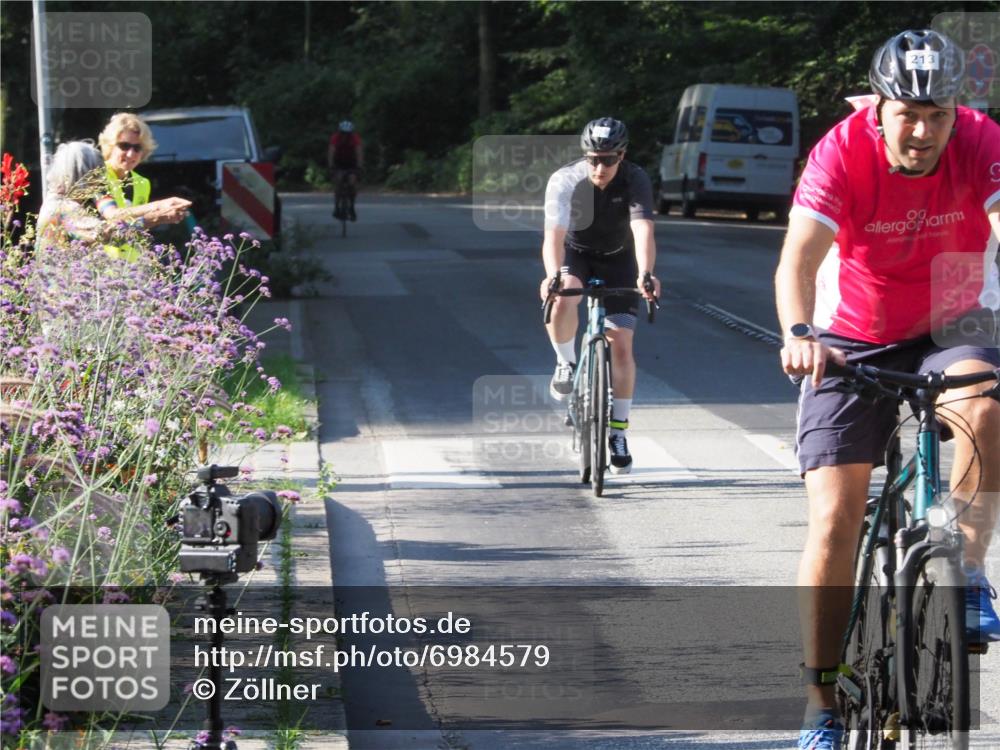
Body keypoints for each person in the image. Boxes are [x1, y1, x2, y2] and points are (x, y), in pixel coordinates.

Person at [774, 29, 1000, 749]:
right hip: (850, 333)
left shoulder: (979, 138)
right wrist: (799, 332)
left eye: (938, 114)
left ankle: (966, 570)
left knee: (983, 399)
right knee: (836, 517)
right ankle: (820, 702)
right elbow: (797, 261)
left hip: (953, 315)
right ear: (880, 108)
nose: (925, 130)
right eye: (910, 114)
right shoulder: (840, 150)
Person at [540, 117, 661, 474]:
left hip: (620, 260)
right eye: (593, 158)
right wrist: (551, 275)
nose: (600, 166)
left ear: (622, 155)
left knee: (621, 344)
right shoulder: (565, 179)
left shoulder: (635, 178)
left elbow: (642, 229)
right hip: (577, 254)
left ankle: (618, 432)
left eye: (608, 159)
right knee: (562, 297)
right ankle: (566, 361)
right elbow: (553, 236)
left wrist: (646, 273)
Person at [95, 112, 191, 229]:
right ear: (110, 145)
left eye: (137, 148)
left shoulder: (143, 183)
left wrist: (162, 216)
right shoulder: (97, 175)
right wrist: (159, 205)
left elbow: (137, 226)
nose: (131, 154)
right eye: (124, 146)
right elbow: (112, 215)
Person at [36, 142, 109, 246]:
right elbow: (102, 233)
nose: (100, 182)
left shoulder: (52, 201)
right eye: (96, 176)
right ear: (83, 175)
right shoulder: (65, 208)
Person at [327, 119, 363, 221]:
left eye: (347, 134)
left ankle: (351, 206)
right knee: (338, 180)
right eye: (343, 133)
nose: (345, 136)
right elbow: (331, 152)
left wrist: (359, 167)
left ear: (351, 133)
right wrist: (331, 166)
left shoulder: (355, 138)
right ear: (339, 132)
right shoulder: (335, 138)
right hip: (339, 163)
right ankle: (337, 207)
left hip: (351, 163)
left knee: (352, 182)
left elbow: (359, 153)